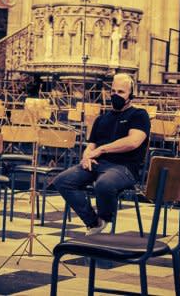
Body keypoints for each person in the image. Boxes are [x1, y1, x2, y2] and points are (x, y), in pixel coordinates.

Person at [52, 73, 150, 235]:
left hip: (124, 168)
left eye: (121, 92)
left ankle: (105, 218)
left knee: (104, 184)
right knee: (63, 180)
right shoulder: (101, 119)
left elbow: (133, 141)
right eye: (113, 91)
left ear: (131, 95)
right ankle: (94, 222)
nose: (115, 95)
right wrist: (86, 157)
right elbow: (91, 146)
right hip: (97, 164)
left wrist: (101, 150)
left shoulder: (139, 115)